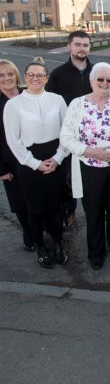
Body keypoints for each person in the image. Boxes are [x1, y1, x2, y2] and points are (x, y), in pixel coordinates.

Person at [60, 62, 110, 270]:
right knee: (93, 212)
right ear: (91, 80)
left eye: (109, 80)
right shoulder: (78, 104)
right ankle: (96, 253)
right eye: (100, 79)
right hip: (89, 168)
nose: (104, 83)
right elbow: (65, 138)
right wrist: (92, 152)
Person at [4, 58, 69, 268]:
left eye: (40, 75)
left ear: (46, 78)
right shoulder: (13, 105)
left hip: (55, 159)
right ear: (25, 77)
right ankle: (41, 247)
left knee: (56, 207)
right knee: (35, 209)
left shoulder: (57, 99)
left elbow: (67, 133)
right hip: (29, 164)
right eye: (31, 75)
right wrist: (35, 163)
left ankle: (58, 243)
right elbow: (13, 141)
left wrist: (58, 158)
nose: (35, 78)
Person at [46, 30, 93, 228]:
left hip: (93, 136)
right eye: (78, 44)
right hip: (67, 136)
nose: (82, 48)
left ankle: (95, 210)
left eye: (85, 45)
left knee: (91, 177)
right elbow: (49, 103)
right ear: (69, 46)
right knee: (68, 179)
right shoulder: (58, 74)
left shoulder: (97, 72)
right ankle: (69, 210)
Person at [0, 59, 35, 253]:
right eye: (2, 75)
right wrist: (1, 170)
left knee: (36, 196)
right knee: (20, 202)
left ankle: (40, 227)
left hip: (34, 157)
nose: (7, 78)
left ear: (16, 75)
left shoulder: (27, 95)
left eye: (10, 74)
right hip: (10, 162)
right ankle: (28, 232)